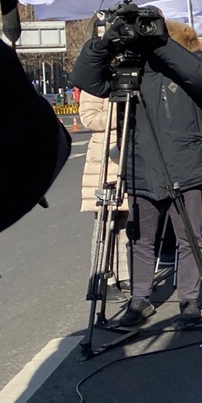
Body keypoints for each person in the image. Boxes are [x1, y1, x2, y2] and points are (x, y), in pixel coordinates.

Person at [71, 14, 202, 329]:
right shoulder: (129, 67)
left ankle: (189, 300)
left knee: (190, 238)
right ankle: (140, 299)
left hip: (185, 165)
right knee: (139, 239)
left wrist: (159, 42)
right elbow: (85, 78)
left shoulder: (190, 62)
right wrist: (103, 43)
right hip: (141, 164)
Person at [78, 89, 129, 290]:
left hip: (129, 151)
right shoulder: (95, 83)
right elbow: (88, 118)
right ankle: (103, 277)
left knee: (125, 218)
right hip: (105, 156)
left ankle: (123, 274)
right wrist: (123, 113)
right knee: (105, 220)